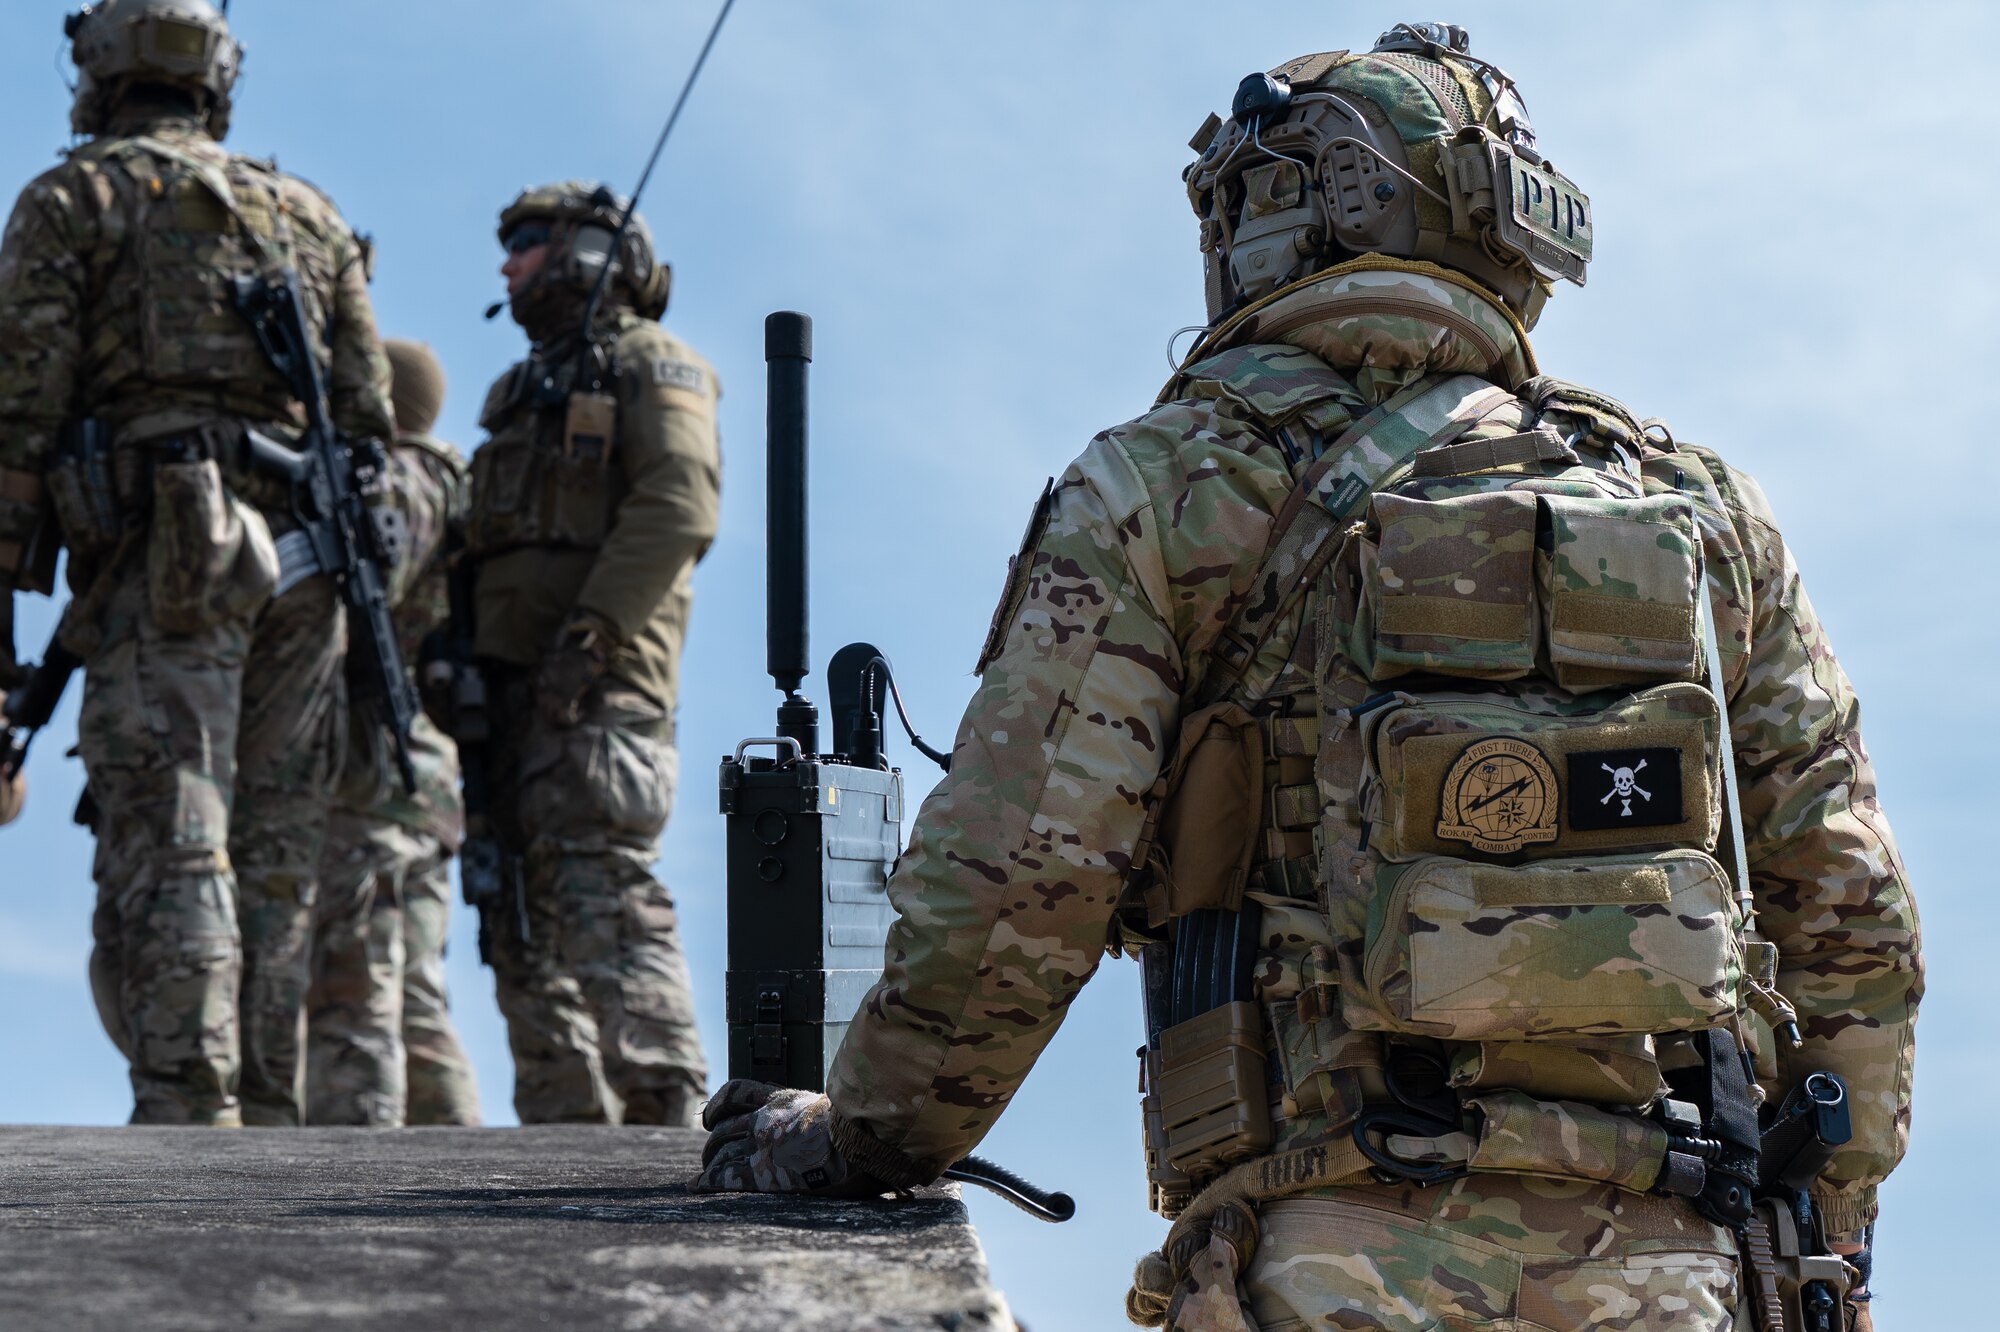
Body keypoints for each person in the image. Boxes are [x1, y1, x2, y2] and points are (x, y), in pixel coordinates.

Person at [695, 24, 1921, 1332]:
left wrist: (859, 1137)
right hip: (1681, 1267)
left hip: (1333, 1252)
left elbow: (1016, 892)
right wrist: (1824, 1238)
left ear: (1283, 213)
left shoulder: (1168, 483)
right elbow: (1852, 914)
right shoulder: (1699, 508)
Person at [0, 0, 392, 1125]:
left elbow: (18, 408)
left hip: (167, 557)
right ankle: (264, 1117)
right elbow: (366, 417)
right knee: (276, 849)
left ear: (106, 69)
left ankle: (188, 1109)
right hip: (310, 568)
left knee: (174, 828)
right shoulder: (306, 216)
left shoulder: (76, 197)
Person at [465, 182, 719, 1126]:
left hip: (595, 692)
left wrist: (591, 639)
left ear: (586, 253)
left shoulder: (653, 364)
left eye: (527, 241)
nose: (508, 264)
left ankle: (661, 1118)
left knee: (601, 894)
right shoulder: (522, 396)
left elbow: (679, 507)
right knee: (518, 924)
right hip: (502, 699)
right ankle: (563, 1138)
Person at [306, 338, 481, 1127]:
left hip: (374, 777)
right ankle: (457, 1159)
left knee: (355, 992)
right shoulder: (453, 488)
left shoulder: (400, 485)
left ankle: (359, 1161)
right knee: (414, 997)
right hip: (422, 779)